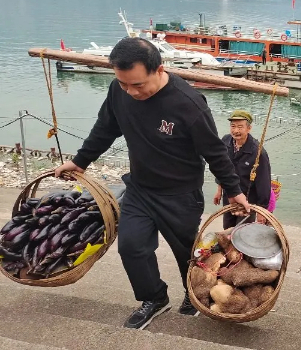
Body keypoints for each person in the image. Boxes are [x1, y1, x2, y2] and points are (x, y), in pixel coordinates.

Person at [54, 37, 250, 330]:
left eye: (138, 85)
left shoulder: (188, 104)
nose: (131, 92)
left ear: (159, 70)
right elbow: (105, 128)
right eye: (124, 84)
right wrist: (81, 161)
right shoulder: (119, 91)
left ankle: (193, 294)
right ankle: (154, 298)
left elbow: (215, 152)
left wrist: (233, 190)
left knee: (188, 253)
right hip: (140, 188)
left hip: (180, 194)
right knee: (131, 248)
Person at [214, 110, 272, 229]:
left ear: (249, 128)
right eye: (233, 126)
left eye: (240, 127)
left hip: (248, 201)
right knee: (227, 229)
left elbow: (264, 183)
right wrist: (219, 190)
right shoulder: (226, 141)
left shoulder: (258, 153)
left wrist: (262, 210)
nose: (236, 130)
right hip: (229, 196)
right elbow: (222, 167)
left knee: (242, 232)